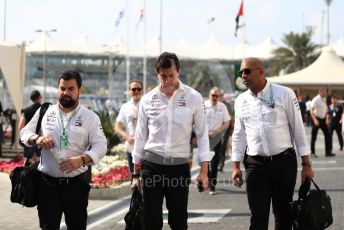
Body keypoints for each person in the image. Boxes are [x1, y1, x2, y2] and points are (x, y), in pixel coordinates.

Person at [131, 52, 213, 230]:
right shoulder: (147, 100)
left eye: (171, 76)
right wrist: (135, 175)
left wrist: (204, 171)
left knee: (178, 222)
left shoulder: (194, 97)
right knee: (151, 221)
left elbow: (202, 135)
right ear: (157, 73)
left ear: (178, 72)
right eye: (163, 76)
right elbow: (140, 138)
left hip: (179, 166)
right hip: (151, 165)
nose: (167, 80)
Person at [231, 57, 314, 230]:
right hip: (255, 165)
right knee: (258, 217)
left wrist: (306, 164)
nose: (243, 76)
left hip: (283, 163)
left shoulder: (284, 93)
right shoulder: (240, 100)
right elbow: (238, 135)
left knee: (283, 216)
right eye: (241, 72)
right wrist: (235, 166)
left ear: (261, 71)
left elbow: (298, 128)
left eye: (247, 71)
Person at [20, 70, 107, 230]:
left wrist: (82, 159)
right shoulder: (45, 111)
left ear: (79, 91)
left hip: (76, 185)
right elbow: (24, 133)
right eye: (62, 88)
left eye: (71, 89)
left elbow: (101, 146)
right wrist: (37, 139)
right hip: (47, 185)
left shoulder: (90, 117)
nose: (66, 93)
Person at [115, 79, 143, 176]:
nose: (136, 92)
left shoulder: (147, 105)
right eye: (133, 89)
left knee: (146, 179)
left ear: (142, 91)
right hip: (131, 147)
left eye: (138, 89)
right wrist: (126, 136)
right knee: (134, 178)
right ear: (129, 91)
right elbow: (117, 126)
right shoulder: (125, 107)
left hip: (145, 147)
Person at [204, 87, 230, 195]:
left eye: (217, 96)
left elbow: (227, 122)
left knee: (214, 162)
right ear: (209, 95)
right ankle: (206, 178)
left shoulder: (222, 107)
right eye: (213, 95)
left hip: (216, 137)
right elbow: (196, 120)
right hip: (204, 137)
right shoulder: (203, 105)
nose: (214, 97)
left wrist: (218, 130)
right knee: (204, 161)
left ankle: (212, 186)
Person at [18, 90, 43, 162]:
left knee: (27, 161)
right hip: (40, 139)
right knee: (39, 161)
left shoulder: (26, 110)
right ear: (39, 98)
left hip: (29, 138)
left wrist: (23, 136)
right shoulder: (44, 110)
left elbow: (20, 126)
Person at [310, 88, 334, 157]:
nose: (325, 94)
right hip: (317, 119)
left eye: (325, 92)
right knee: (314, 136)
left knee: (327, 135)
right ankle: (312, 153)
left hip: (323, 120)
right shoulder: (316, 99)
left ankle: (328, 152)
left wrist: (327, 119)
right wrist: (315, 120)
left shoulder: (324, 99)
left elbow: (326, 110)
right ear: (320, 92)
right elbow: (311, 110)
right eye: (324, 92)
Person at [218, 89, 234, 172]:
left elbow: (231, 117)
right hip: (215, 130)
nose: (218, 97)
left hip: (225, 129)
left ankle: (220, 165)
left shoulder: (226, 105)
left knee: (223, 147)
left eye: (220, 95)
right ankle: (215, 164)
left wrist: (231, 128)